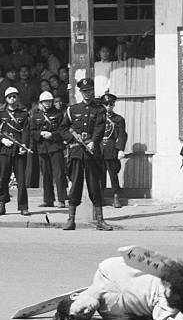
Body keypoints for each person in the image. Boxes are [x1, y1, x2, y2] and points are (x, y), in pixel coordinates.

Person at [53, 255, 183, 320]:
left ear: (74, 296)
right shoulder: (110, 314)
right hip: (163, 307)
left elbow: (145, 260)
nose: (88, 311)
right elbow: (142, 315)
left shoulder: (107, 268)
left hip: (167, 282)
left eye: (81, 310)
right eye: (85, 316)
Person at [58, 78, 112, 231]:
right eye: (84, 91)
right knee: (75, 186)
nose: (87, 94)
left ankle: (100, 220)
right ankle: (71, 219)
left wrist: (93, 141)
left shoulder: (100, 109)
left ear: (93, 91)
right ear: (80, 92)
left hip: (92, 153)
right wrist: (71, 139)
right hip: (76, 152)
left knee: (95, 186)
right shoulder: (72, 110)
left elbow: (100, 128)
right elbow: (62, 129)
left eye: (89, 91)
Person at [0, 86, 31, 217]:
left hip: (19, 150)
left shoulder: (24, 114)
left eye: (14, 96)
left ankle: (23, 206)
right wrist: (2, 140)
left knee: (21, 180)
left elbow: (26, 131)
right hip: (5, 150)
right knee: (4, 178)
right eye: (9, 97)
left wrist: (24, 145)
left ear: (17, 98)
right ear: (6, 99)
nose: (12, 99)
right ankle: (2, 204)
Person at [30, 91, 67, 208]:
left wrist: (52, 135)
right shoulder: (35, 116)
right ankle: (48, 199)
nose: (47, 103)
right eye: (45, 101)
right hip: (42, 147)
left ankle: (61, 199)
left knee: (59, 174)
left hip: (55, 146)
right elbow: (31, 131)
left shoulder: (59, 114)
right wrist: (40, 133)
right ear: (41, 102)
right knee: (46, 175)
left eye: (49, 101)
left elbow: (63, 130)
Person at [100, 93, 126, 209]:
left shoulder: (118, 119)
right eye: (105, 104)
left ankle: (116, 196)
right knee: (99, 175)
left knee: (113, 174)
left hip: (111, 148)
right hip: (99, 148)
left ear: (114, 104)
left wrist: (120, 149)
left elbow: (122, 135)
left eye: (110, 104)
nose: (108, 106)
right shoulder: (98, 118)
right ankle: (100, 197)